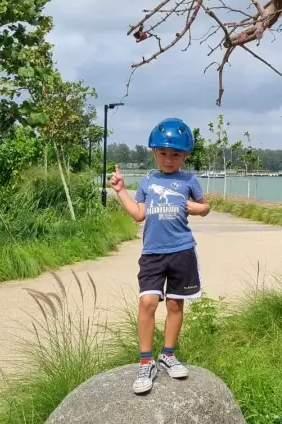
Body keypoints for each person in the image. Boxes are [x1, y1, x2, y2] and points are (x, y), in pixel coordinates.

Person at [109, 117, 210, 395]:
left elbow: (205, 207)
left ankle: (167, 354)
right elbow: (138, 214)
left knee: (176, 305)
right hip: (153, 253)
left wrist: (197, 208)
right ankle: (145, 362)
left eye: (175, 154)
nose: (169, 159)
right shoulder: (148, 180)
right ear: (154, 152)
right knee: (148, 303)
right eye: (163, 153)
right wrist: (120, 191)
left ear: (185, 155)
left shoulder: (189, 180)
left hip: (182, 250)